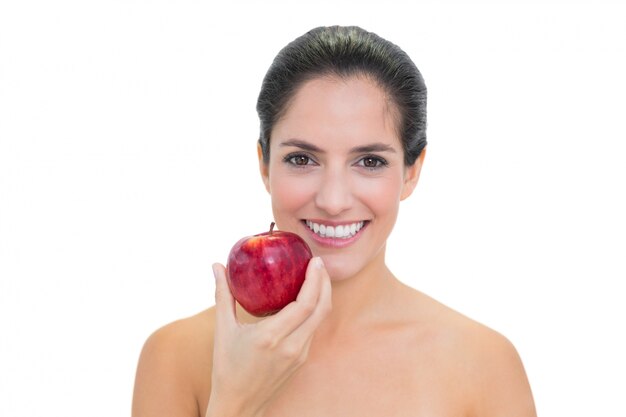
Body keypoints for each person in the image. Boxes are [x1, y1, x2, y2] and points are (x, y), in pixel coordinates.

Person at [132, 25, 537, 417]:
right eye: (302, 159)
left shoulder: (484, 365)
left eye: (370, 161)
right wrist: (236, 400)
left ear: (412, 172)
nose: (333, 200)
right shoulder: (176, 357)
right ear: (264, 166)